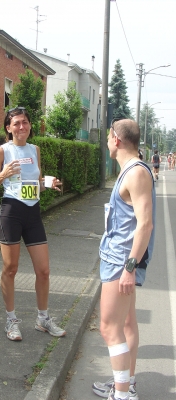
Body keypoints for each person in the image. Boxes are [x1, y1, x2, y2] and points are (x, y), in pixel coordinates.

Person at [0, 106, 66, 341]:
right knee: (10, 269)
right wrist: (3, 174)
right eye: (17, 123)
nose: (22, 127)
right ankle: (11, 321)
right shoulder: (3, 151)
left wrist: (47, 184)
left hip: (33, 213)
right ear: (8, 128)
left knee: (44, 270)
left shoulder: (35, 150)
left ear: (30, 126)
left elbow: (35, 183)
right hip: (11, 213)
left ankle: (43, 319)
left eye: (25, 123)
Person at [92, 119, 155, 400]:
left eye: (108, 136)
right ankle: (126, 383)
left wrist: (129, 268)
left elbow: (145, 225)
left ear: (116, 140)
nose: (106, 141)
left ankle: (122, 394)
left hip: (121, 261)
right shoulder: (130, 170)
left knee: (109, 327)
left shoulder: (136, 173)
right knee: (127, 323)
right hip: (118, 258)